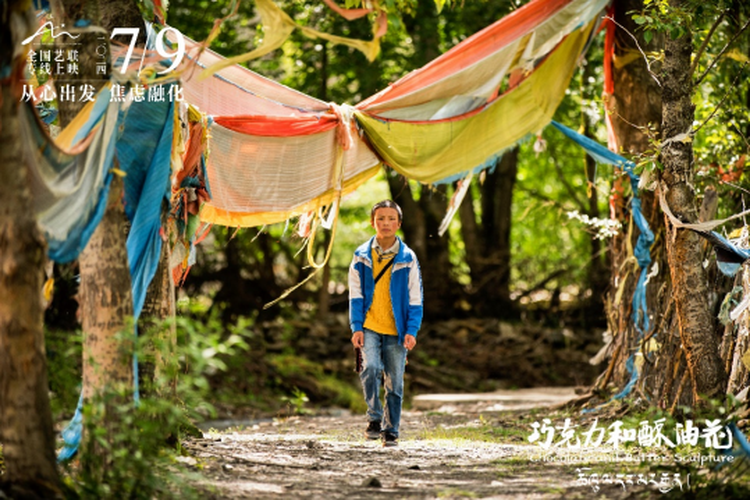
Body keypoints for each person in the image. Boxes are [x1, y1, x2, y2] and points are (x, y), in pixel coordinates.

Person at [348, 199, 423, 447]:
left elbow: (415, 298)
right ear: (373, 223)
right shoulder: (360, 256)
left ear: (399, 223)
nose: (386, 223)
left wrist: (412, 330)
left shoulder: (408, 258)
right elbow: (355, 294)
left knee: (395, 380)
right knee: (369, 368)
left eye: (391, 219)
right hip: (369, 325)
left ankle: (391, 430)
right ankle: (374, 418)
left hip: (397, 329)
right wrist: (356, 326)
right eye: (381, 218)